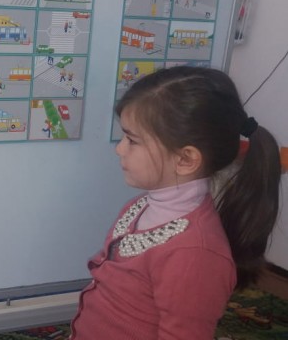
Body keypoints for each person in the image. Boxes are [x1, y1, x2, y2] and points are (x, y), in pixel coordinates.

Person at [70, 66, 281, 339]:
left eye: (132, 140)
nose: (119, 149)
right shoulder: (140, 206)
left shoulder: (194, 254)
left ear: (185, 159)